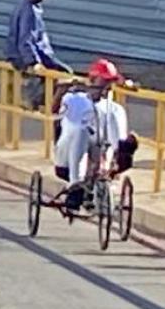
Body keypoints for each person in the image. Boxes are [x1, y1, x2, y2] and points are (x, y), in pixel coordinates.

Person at [53, 59, 137, 211]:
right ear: (92, 80)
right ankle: (76, 186)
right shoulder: (74, 100)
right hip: (69, 154)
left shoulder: (111, 108)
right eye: (104, 81)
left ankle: (120, 153)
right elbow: (55, 111)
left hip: (99, 152)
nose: (107, 86)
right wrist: (62, 90)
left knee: (115, 112)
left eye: (110, 82)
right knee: (81, 131)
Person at [5, 0, 71, 109]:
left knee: (61, 73)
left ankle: (42, 102)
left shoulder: (28, 6)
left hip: (29, 54)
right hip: (25, 56)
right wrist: (33, 62)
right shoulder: (29, 10)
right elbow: (26, 39)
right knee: (65, 73)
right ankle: (44, 104)